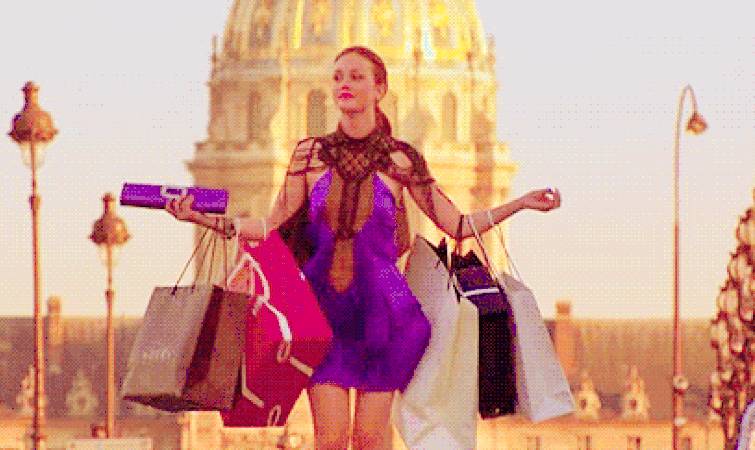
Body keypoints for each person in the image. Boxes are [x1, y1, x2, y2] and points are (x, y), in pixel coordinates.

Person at [166, 46, 561, 450]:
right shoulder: (309, 155)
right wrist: (202, 219)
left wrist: (520, 203)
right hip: (323, 314)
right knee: (331, 440)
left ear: (380, 89)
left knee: (370, 439)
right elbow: (270, 225)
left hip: (384, 313)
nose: (344, 84)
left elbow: (457, 225)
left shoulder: (401, 160)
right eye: (338, 77)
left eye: (356, 77)